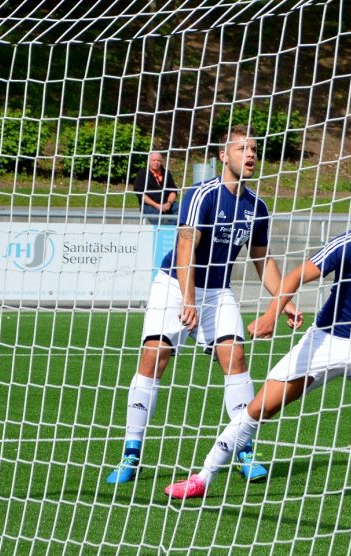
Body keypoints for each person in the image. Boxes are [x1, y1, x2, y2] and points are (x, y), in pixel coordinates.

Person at [164, 177, 351, 521]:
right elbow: (295, 276)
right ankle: (203, 477)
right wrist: (269, 316)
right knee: (261, 406)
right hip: (326, 339)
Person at [105, 125, 301, 484]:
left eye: (254, 149)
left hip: (217, 291)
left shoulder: (257, 206)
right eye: (243, 149)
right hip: (175, 284)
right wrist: (189, 300)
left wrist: (281, 300)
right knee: (154, 355)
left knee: (235, 356)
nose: (252, 155)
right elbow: (184, 248)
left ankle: (244, 449)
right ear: (224, 156)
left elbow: (262, 259)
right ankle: (131, 454)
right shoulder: (202, 195)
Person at [134, 151, 179, 225]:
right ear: (149, 162)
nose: (156, 162)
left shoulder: (166, 173)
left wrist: (169, 203)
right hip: (150, 205)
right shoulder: (142, 174)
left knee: (182, 209)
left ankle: (171, 228)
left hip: (167, 204)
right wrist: (157, 206)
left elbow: (173, 191)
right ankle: (166, 229)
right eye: (154, 160)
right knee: (161, 220)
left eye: (158, 160)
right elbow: (141, 194)